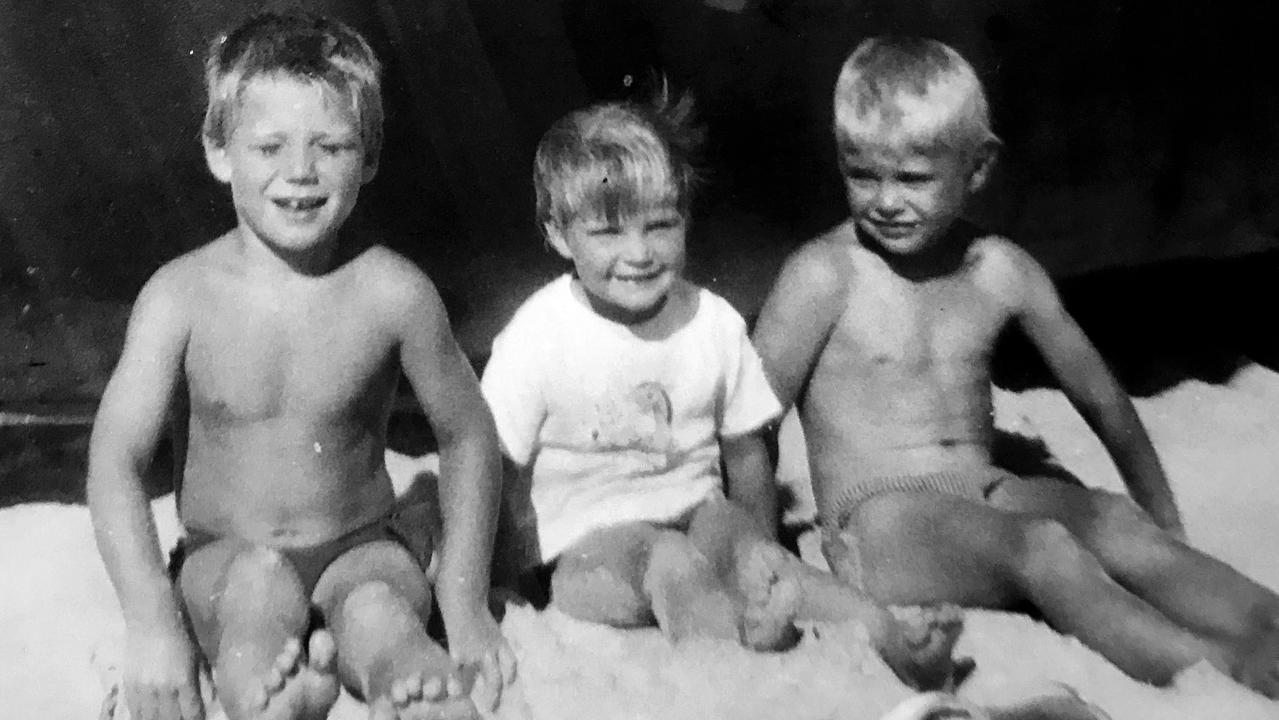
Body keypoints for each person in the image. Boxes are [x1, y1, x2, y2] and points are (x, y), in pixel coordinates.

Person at [751, 35, 1279, 698]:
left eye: (912, 177)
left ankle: (1266, 622)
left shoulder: (998, 270)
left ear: (977, 168)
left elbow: (1102, 398)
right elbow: (748, 424)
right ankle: (1215, 665)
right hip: (876, 521)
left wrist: (1163, 525)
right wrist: (758, 548)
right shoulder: (823, 276)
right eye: (862, 174)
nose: (885, 200)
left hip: (985, 485)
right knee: (1041, 548)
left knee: (1111, 521)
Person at [86, 11, 515, 720]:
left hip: (362, 547)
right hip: (228, 554)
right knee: (250, 608)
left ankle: (400, 674)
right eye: (269, 147)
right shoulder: (179, 297)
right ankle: (273, 682)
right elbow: (114, 459)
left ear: (370, 155)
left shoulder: (392, 291)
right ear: (219, 152)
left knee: (382, 615)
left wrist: (464, 605)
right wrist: (152, 626)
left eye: (331, 145)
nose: (300, 172)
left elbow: (468, 435)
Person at [479, 93, 967, 691]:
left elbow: (746, 453)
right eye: (607, 232)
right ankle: (738, 666)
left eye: (660, 225)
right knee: (668, 562)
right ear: (558, 234)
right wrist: (509, 577)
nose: (639, 253)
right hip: (588, 551)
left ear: (685, 217)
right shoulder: (538, 336)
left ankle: (890, 634)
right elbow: (497, 469)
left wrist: (758, 548)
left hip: (696, 509)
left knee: (747, 549)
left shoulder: (709, 321)